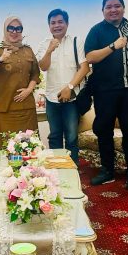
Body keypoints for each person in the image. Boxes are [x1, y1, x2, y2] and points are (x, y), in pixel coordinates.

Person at [84, 0, 128, 190]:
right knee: (104, 131)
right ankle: (107, 170)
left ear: (123, 8)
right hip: (104, 92)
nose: (113, 10)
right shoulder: (96, 31)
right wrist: (113, 46)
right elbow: (90, 57)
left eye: (117, 6)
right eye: (109, 7)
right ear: (103, 10)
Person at [36, 9, 90, 164]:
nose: (57, 25)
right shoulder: (44, 44)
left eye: (60, 22)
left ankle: (73, 169)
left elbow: (84, 68)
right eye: (53, 23)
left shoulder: (76, 42)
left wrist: (70, 87)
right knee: (54, 136)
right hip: (51, 98)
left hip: (71, 99)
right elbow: (43, 67)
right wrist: (49, 50)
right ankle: (57, 169)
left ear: (67, 23)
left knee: (71, 137)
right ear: (49, 26)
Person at [0, 16, 40, 149]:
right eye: (10, 28)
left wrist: (29, 90)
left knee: (29, 147)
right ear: (5, 29)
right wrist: (0, 59)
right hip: (5, 108)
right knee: (4, 148)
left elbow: (35, 73)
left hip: (26, 107)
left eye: (18, 28)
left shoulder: (27, 50)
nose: (14, 31)